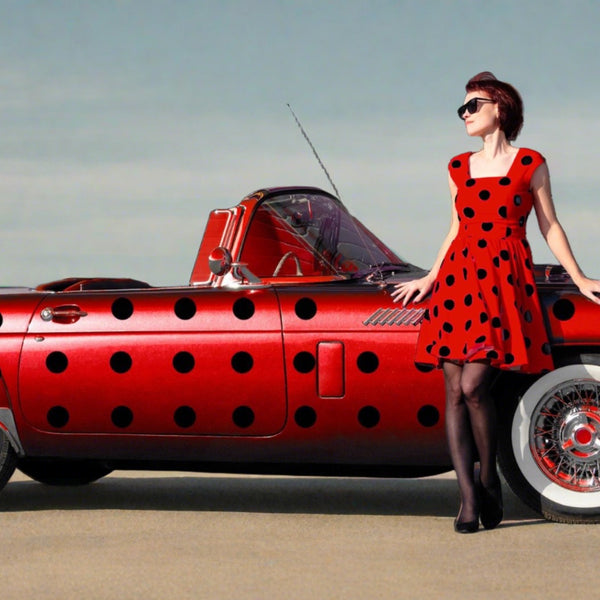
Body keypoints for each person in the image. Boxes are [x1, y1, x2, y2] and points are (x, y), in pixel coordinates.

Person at [391, 72, 600, 533]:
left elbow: (549, 225)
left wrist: (579, 275)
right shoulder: (456, 167)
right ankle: (467, 497)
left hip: (503, 283)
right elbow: (454, 230)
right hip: (457, 286)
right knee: (453, 392)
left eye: (472, 105)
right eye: (461, 108)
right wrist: (429, 276)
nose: (464, 114)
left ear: (499, 109)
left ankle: (490, 481)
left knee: (473, 387)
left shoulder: (530, 163)